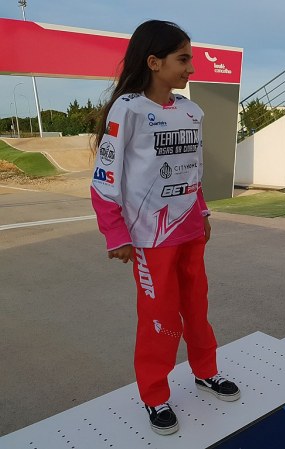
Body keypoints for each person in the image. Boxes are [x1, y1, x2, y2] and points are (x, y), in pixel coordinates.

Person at [91, 20, 240, 436]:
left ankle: (205, 371)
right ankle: (155, 394)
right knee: (159, 317)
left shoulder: (192, 110)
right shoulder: (127, 109)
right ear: (154, 62)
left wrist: (203, 213)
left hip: (189, 229)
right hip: (149, 237)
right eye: (183, 59)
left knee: (196, 307)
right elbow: (104, 179)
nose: (191, 68)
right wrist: (116, 233)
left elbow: (193, 170)